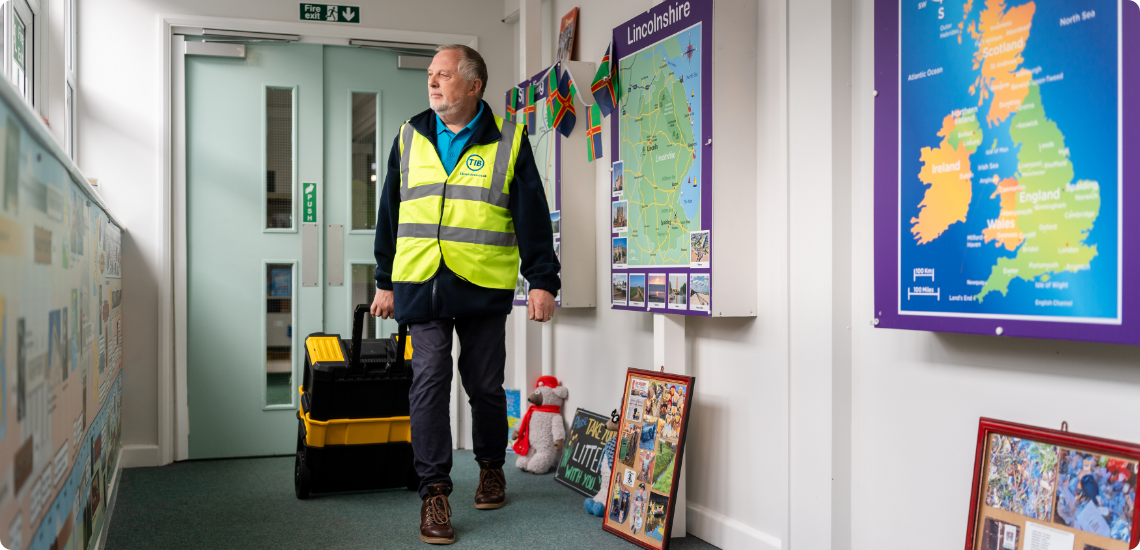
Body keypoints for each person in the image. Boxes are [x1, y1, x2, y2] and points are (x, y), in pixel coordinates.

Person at [371, 44, 559, 545]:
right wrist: (384, 279)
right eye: (430, 74)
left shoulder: (510, 140)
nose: (432, 83)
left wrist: (542, 280)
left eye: (444, 75)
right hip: (420, 282)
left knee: (484, 386)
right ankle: (433, 491)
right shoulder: (408, 136)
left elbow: (533, 217)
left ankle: (491, 467)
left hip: (480, 283)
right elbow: (390, 211)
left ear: (473, 86)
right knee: (429, 380)